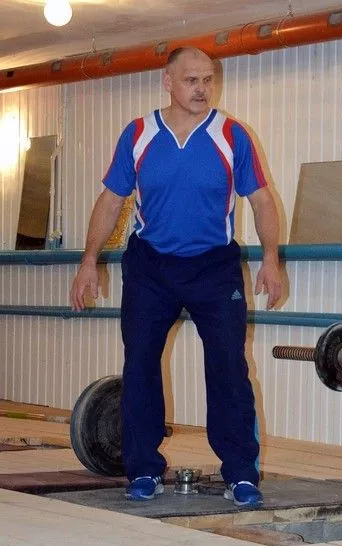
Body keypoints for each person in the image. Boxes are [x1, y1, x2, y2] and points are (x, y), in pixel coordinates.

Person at [70, 47, 282, 507]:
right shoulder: (138, 134)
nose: (202, 89)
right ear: (168, 81)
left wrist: (271, 258)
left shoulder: (232, 135)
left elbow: (262, 200)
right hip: (151, 267)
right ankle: (143, 469)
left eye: (208, 80)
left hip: (214, 266)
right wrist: (89, 260)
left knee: (229, 367)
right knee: (140, 364)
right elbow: (111, 200)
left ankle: (241, 473)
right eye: (191, 80)